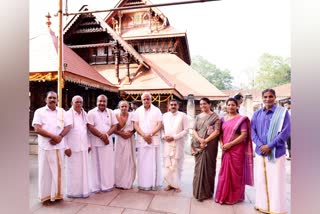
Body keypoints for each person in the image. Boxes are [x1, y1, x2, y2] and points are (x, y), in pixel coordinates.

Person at [251, 89, 291, 214]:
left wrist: (270, 146)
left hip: (276, 152)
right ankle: (261, 205)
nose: (268, 99)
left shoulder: (283, 113)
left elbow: (285, 132)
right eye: (265, 97)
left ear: (275, 97)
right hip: (260, 152)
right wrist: (261, 145)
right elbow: (252, 131)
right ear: (262, 98)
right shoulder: (257, 113)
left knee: (276, 180)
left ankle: (276, 208)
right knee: (261, 179)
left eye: (271, 96)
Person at [32, 91, 72, 205]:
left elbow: (68, 126)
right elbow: (37, 129)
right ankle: (45, 197)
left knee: (58, 172)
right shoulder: (39, 112)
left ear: (57, 100)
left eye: (54, 98)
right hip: (45, 146)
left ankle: (57, 195)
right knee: (45, 173)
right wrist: (53, 136)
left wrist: (59, 137)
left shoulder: (62, 112)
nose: (52, 100)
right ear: (46, 100)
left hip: (59, 146)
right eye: (50, 98)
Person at [215, 98, 254, 204]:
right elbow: (221, 134)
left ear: (237, 106)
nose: (231, 107)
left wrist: (230, 144)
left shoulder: (241, 119)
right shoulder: (223, 119)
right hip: (226, 149)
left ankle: (234, 197)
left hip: (237, 150)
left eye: (233, 105)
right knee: (224, 173)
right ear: (226, 106)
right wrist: (222, 144)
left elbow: (244, 135)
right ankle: (223, 195)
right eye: (229, 105)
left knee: (236, 174)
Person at [191, 97, 221, 201]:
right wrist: (200, 139)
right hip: (199, 145)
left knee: (209, 168)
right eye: (201, 104)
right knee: (198, 168)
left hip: (210, 146)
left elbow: (217, 131)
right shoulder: (198, 116)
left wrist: (206, 140)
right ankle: (197, 191)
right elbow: (194, 129)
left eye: (205, 104)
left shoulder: (215, 117)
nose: (202, 106)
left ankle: (207, 193)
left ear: (210, 104)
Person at [87, 95, 118, 193]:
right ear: (96, 102)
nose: (102, 103)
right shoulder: (91, 113)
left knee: (107, 164)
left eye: (104, 101)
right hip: (96, 142)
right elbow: (90, 127)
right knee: (95, 165)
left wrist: (107, 135)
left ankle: (107, 185)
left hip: (107, 143)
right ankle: (96, 187)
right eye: (100, 101)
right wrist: (102, 136)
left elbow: (115, 125)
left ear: (106, 102)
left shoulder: (110, 112)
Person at [133, 92, 163, 190]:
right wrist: (144, 135)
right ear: (142, 100)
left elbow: (159, 124)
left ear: (151, 99)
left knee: (154, 162)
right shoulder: (137, 110)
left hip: (153, 139)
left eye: (147, 99)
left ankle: (154, 184)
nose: (146, 101)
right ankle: (143, 184)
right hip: (142, 140)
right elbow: (135, 124)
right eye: (144, 99)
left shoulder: (157, 110)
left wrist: (149, 134)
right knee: (142, 163)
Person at [64, 95, 90, 198]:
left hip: (83, 147)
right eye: (76, 102)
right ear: (72, 103)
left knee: (83, 171)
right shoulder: (67, 115)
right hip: (72, 148)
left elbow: (87, 131)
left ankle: (83, 191)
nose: (79, 104)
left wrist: (88, 144)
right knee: (72, 171)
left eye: (80, 102)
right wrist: (66, 147)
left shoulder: (84, 114)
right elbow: (64, 133)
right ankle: (72, 192)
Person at [161, 99, 189, 193]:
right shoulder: (164, 115)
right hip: (167, 143)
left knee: (177, 164)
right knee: (168, 164)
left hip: (178, 143)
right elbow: (161, 129)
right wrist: (164, 136)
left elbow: (186, 130)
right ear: (168, 106)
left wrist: (174, 137)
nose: (173, 106)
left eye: (175, 105)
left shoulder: (183, 115)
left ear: (178, 106)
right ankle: (169, 184)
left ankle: (176, 185)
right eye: (171, 105)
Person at [114, 100, 136, 189]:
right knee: (119, 161)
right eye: (122, 106)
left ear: (128, 107)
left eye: (125, 106)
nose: (124, 108)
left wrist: (130, 134)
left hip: (129, 139)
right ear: (119, 107)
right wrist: (121, 134)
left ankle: (127, 182)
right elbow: (113, 128)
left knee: (128, 160)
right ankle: (118, 182)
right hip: (119, 139)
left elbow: (136, 127)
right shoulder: (115, 115)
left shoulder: (132, 115)